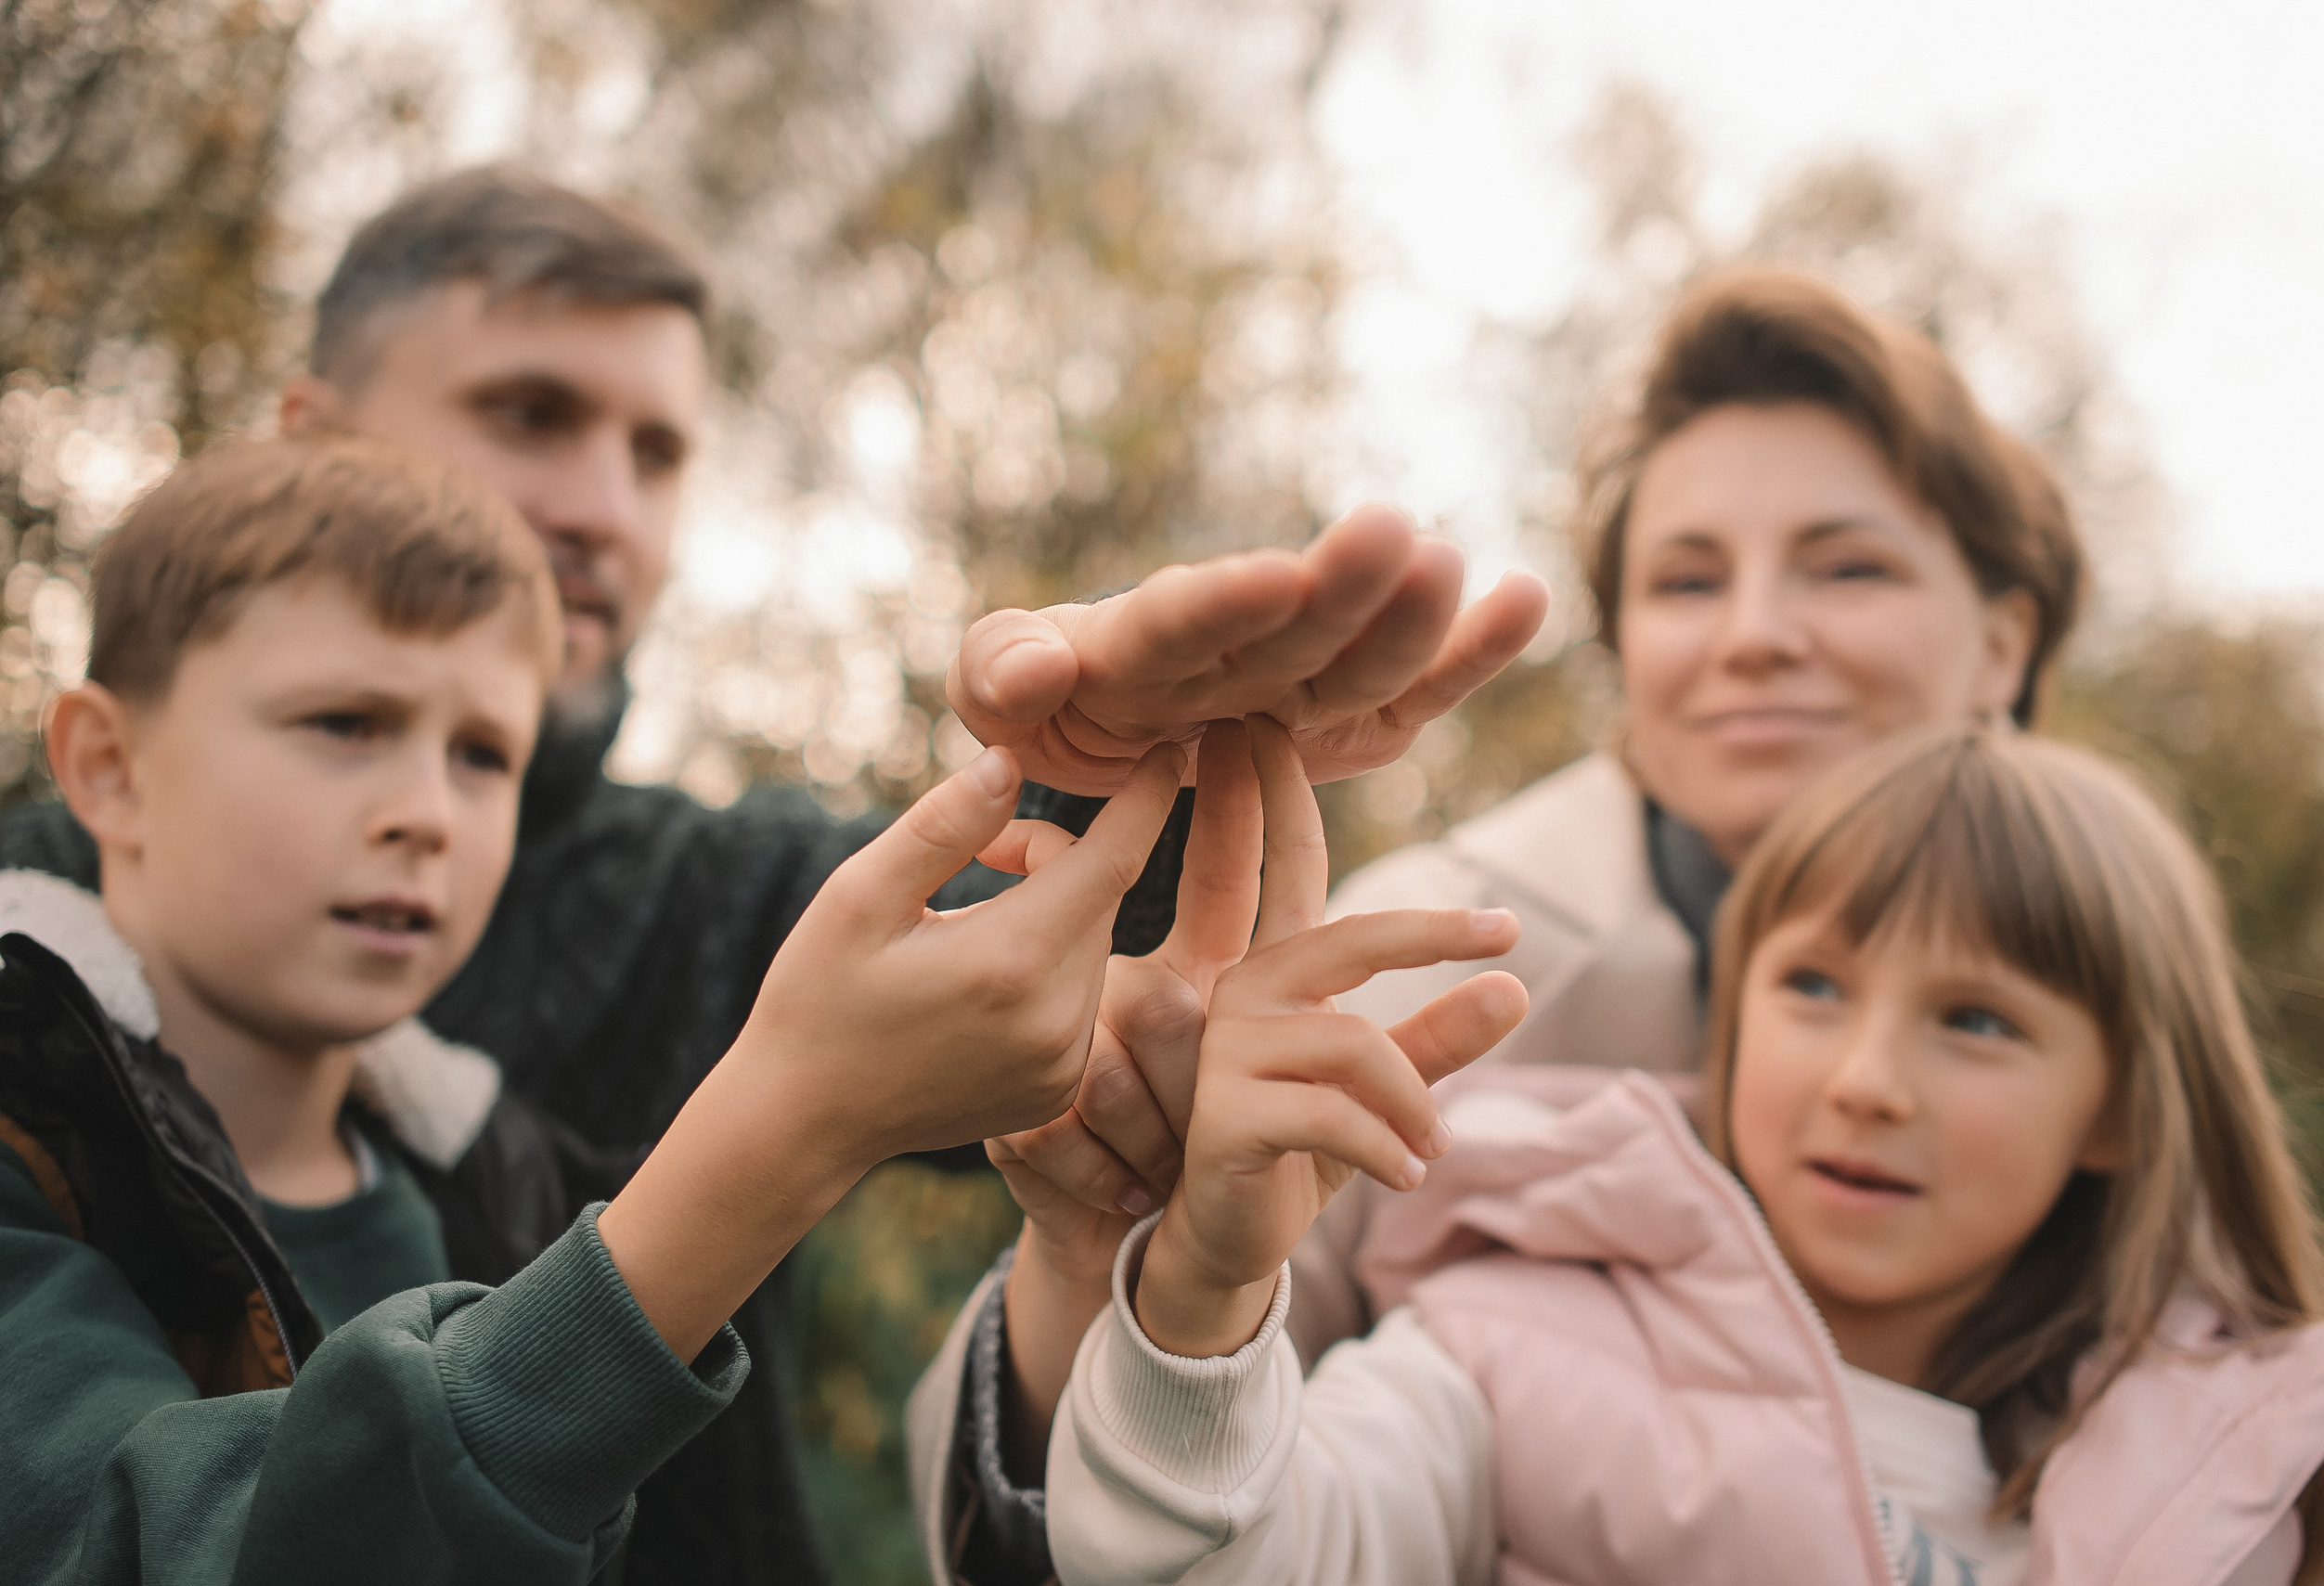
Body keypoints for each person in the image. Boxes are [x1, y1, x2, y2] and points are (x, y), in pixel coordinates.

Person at [0, 436, 1528, 1585]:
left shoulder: (489, 1167)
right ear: (106, 766)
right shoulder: (29, 1158)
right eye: (344, 724)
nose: (424, 810)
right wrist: (791, 1118)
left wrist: (1168, 760)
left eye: (483, 756)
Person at [902, 266, 2096, 1578]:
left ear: (2004, 638)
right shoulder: (1428, 950)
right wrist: (1105, 1245)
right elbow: (1161, 1510)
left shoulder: (2125, 981)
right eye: (1688, 582)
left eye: (1849, 567)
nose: (1755, 635)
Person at [1004, 727, 2324, 1585]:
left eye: (1975, 1018)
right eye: (1815, 988)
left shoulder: (2252, 1467)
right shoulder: (1511, 1345)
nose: (1866, 1081)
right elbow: (1203, 1563)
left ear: (2122, 1109)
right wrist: (1206, 1296)